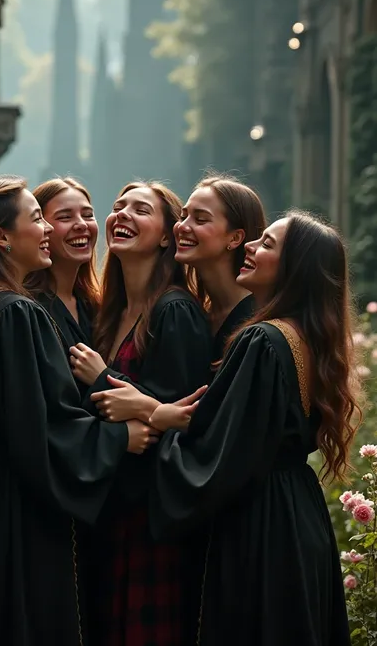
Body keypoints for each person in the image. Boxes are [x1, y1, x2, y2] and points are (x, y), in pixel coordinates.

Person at [0, 176, 156, 646]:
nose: (47, 229)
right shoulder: (17, 313)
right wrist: (119, 438)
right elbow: (40, 428)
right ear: (1, 236)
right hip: (14, 510)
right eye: (37, 219)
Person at [149, 210, 360, 646]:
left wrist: (155, 426)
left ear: (293, 270)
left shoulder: (262, 340)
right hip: (300, 514)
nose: (249, 247)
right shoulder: (309, 336)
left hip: (261, 527)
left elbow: (217, 456)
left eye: (265, 244)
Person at [69, 181, 211, 646]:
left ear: (168, 235)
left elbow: (171, 425)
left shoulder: (175, 312)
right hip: (108, 512)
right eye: (117, 207)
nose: (121, 215)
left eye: (140, 209)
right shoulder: (108, 313)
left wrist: (101, 376)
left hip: (149, 524)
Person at [175, 171, 266, 369]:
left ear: (234, 238)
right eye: (183, 216)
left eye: (200, 220)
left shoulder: (258, 324)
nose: (182, 226)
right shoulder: (197, 315)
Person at [26, 177, 99, 396]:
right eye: (65, 217)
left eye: (87, 215)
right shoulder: (27, 308)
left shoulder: (95, 305)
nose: (81, 224)